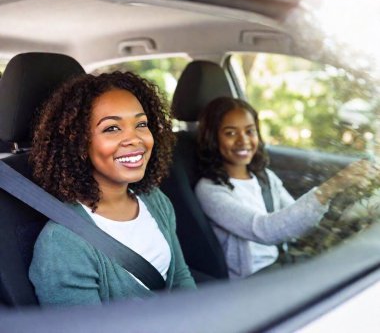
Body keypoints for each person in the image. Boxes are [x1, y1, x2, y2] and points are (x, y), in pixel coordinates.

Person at [29, 71, 196, 306]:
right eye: (112, 129)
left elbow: (180, 278)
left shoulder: (154, 200)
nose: (135, 139)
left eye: (141, 124)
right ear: (78, 142)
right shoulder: (62, 243)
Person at [195, 96, 377, 279]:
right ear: (213, 138)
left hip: (281, 263)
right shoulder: (211, 190)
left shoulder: (264, 177)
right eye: (230, 133)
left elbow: (296, 221)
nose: (243, 141)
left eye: (249, 131)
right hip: (252, 281)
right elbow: (265, 230)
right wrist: (332, 187)